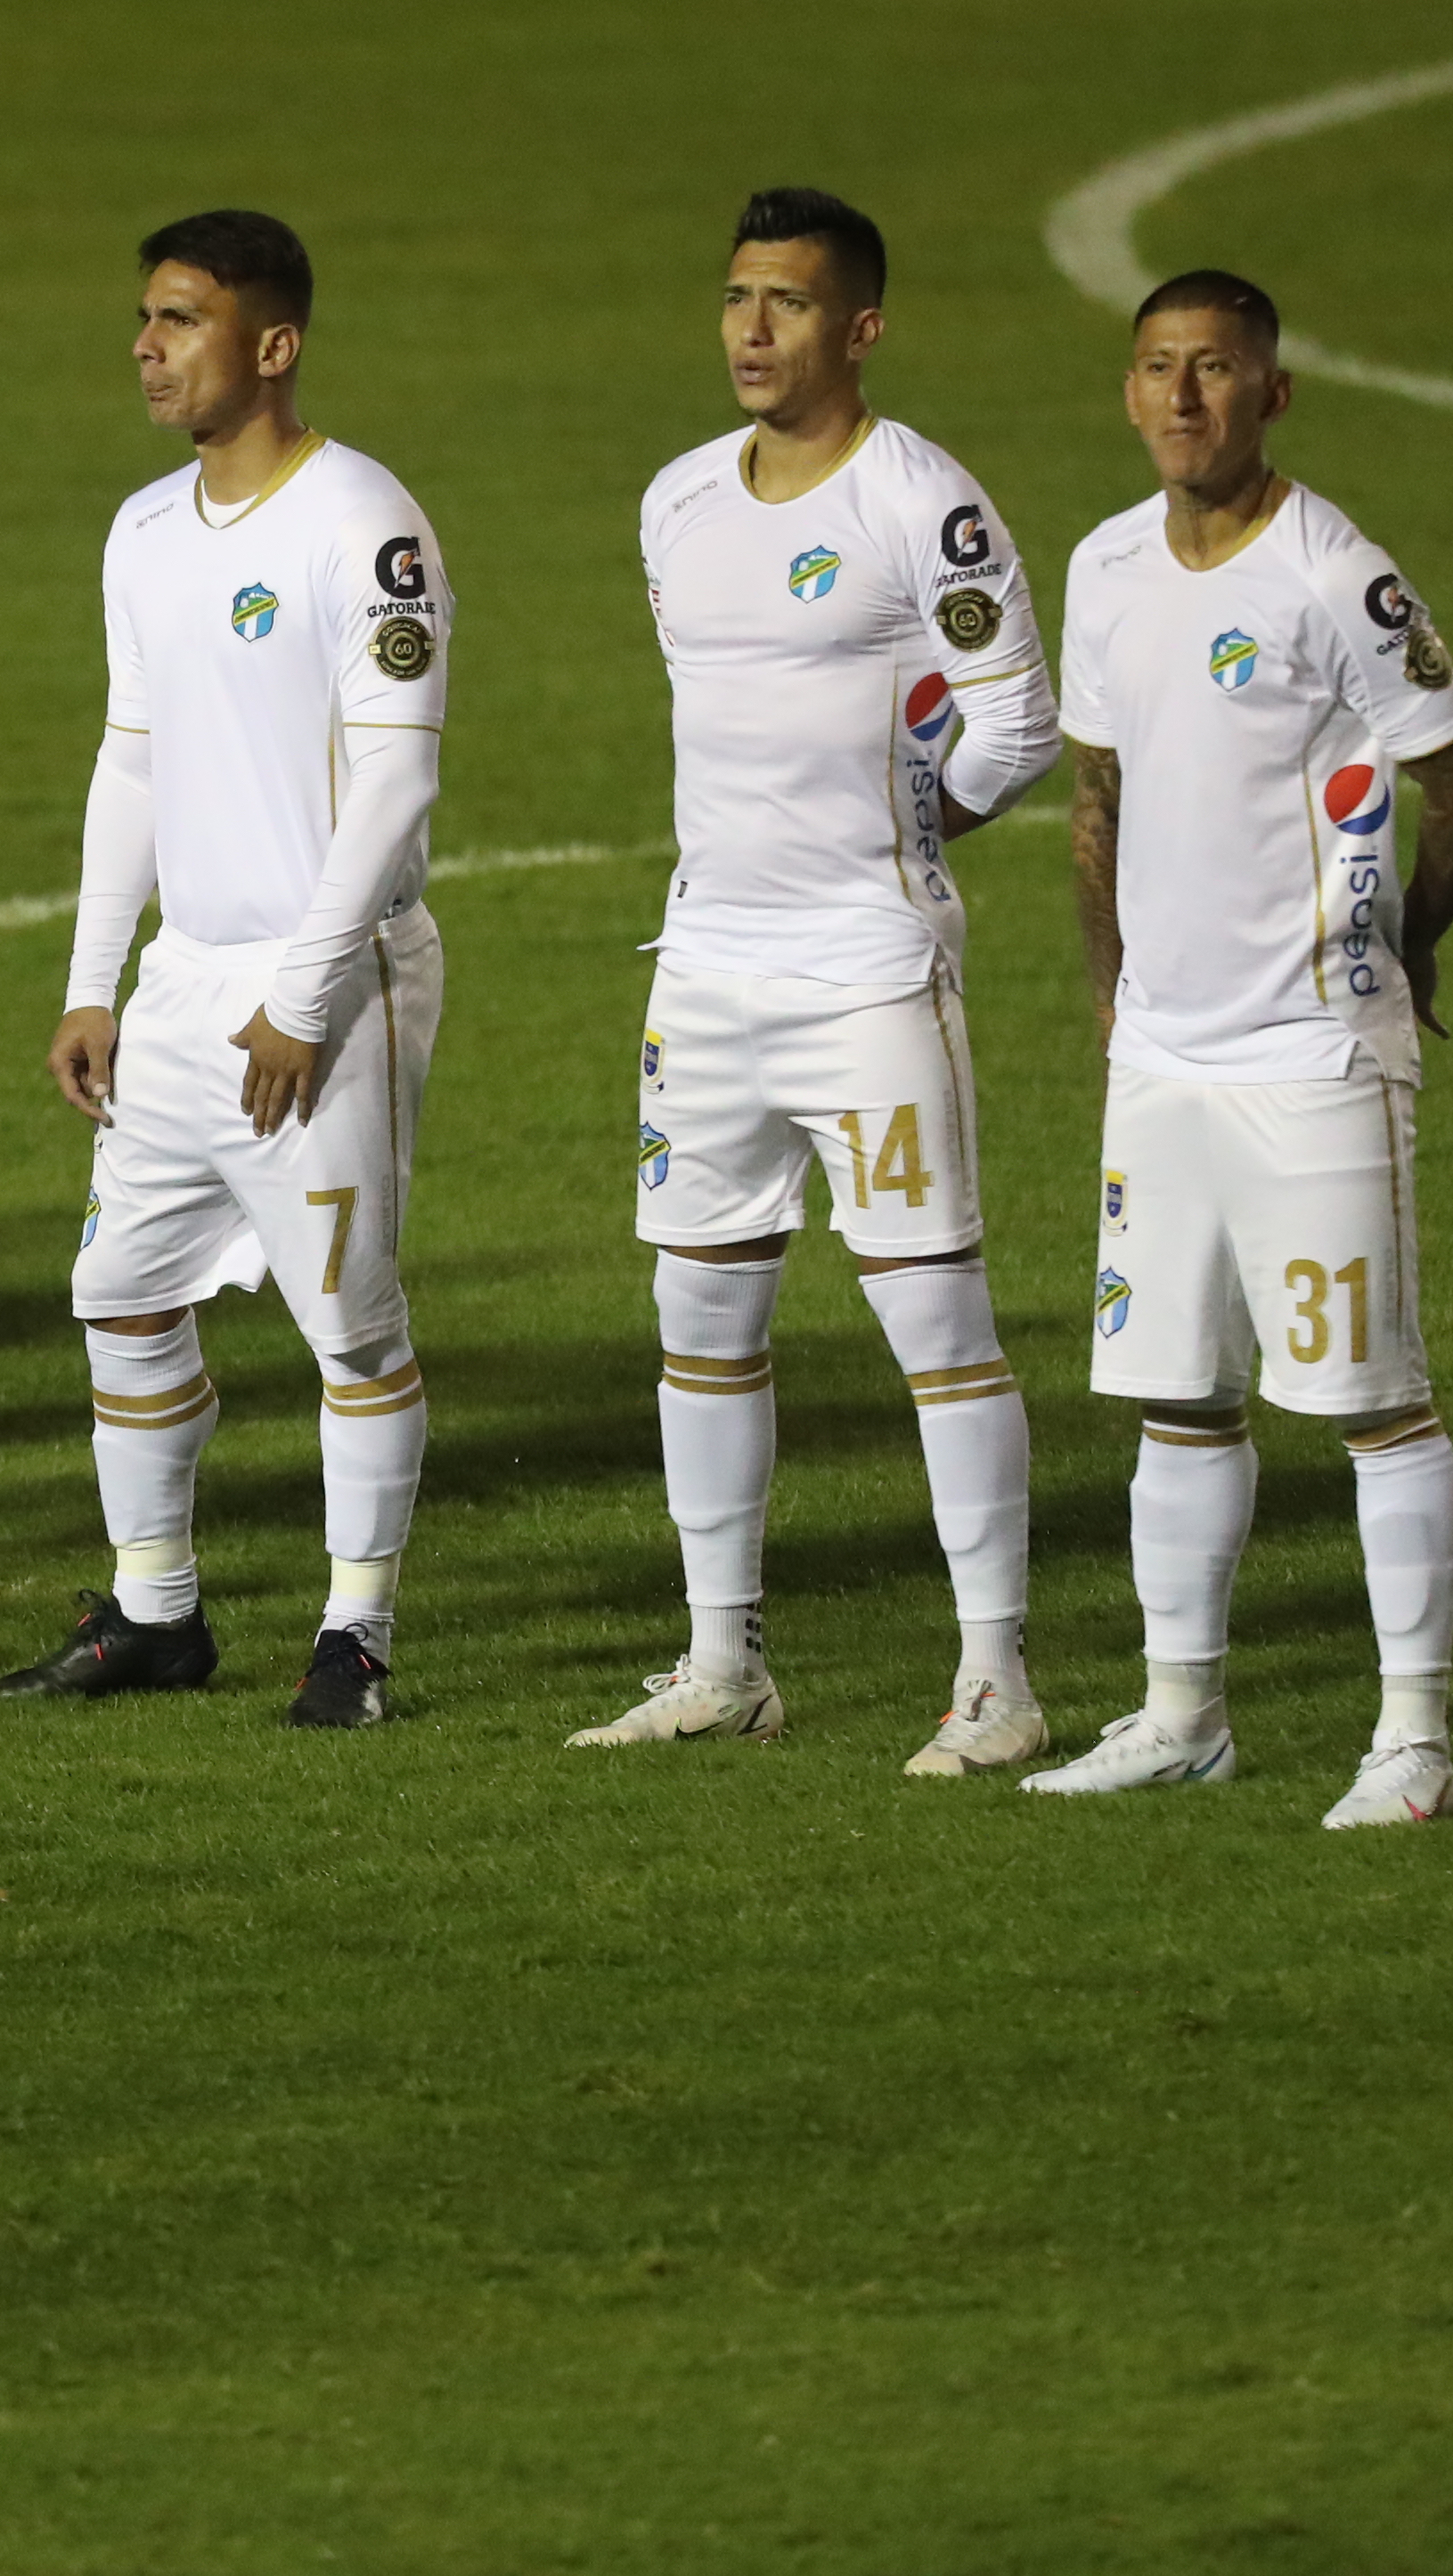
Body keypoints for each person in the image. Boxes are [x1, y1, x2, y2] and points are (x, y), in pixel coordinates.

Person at [1027, 270, 1453, 1826]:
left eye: (1216, 369)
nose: (1184, 397)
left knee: (1374, 1399)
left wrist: (1404, 947)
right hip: (1163, 1058)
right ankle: (1183, 1716)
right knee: (1177, 1395)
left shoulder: (1336, 577)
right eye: (1158, 367)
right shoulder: (1104, 565)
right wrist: (1110, 985)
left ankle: (1416, 1742)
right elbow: (1098, 791)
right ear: (1128, 389)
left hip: (1314, 1054)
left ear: (1272, 393)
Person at [578, 188, 1056, 1761]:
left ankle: (996, 1680)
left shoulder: (923, 503)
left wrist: (913, 829)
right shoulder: (675, 501)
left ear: (860, 328)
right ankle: (724, 1665)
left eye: (787, 302)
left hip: (866, 975)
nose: (752, 328)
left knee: (936, 1322)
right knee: (701, 1317)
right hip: (706, 970)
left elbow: (1018, 719)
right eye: (737, 297)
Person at [4, 210, 448, 1728]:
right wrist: (95, 979)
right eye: (144, 317)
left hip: (330, 982)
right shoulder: (142, 531)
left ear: (274, 345)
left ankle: (355, 1640)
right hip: (187, 983)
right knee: (121, 1294)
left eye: (181, 320)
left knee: (350, 1324)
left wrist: (304, 997)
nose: (146, 347)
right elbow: (132, 755)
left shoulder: (361, 525)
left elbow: (395, 781)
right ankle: (156, 1612)